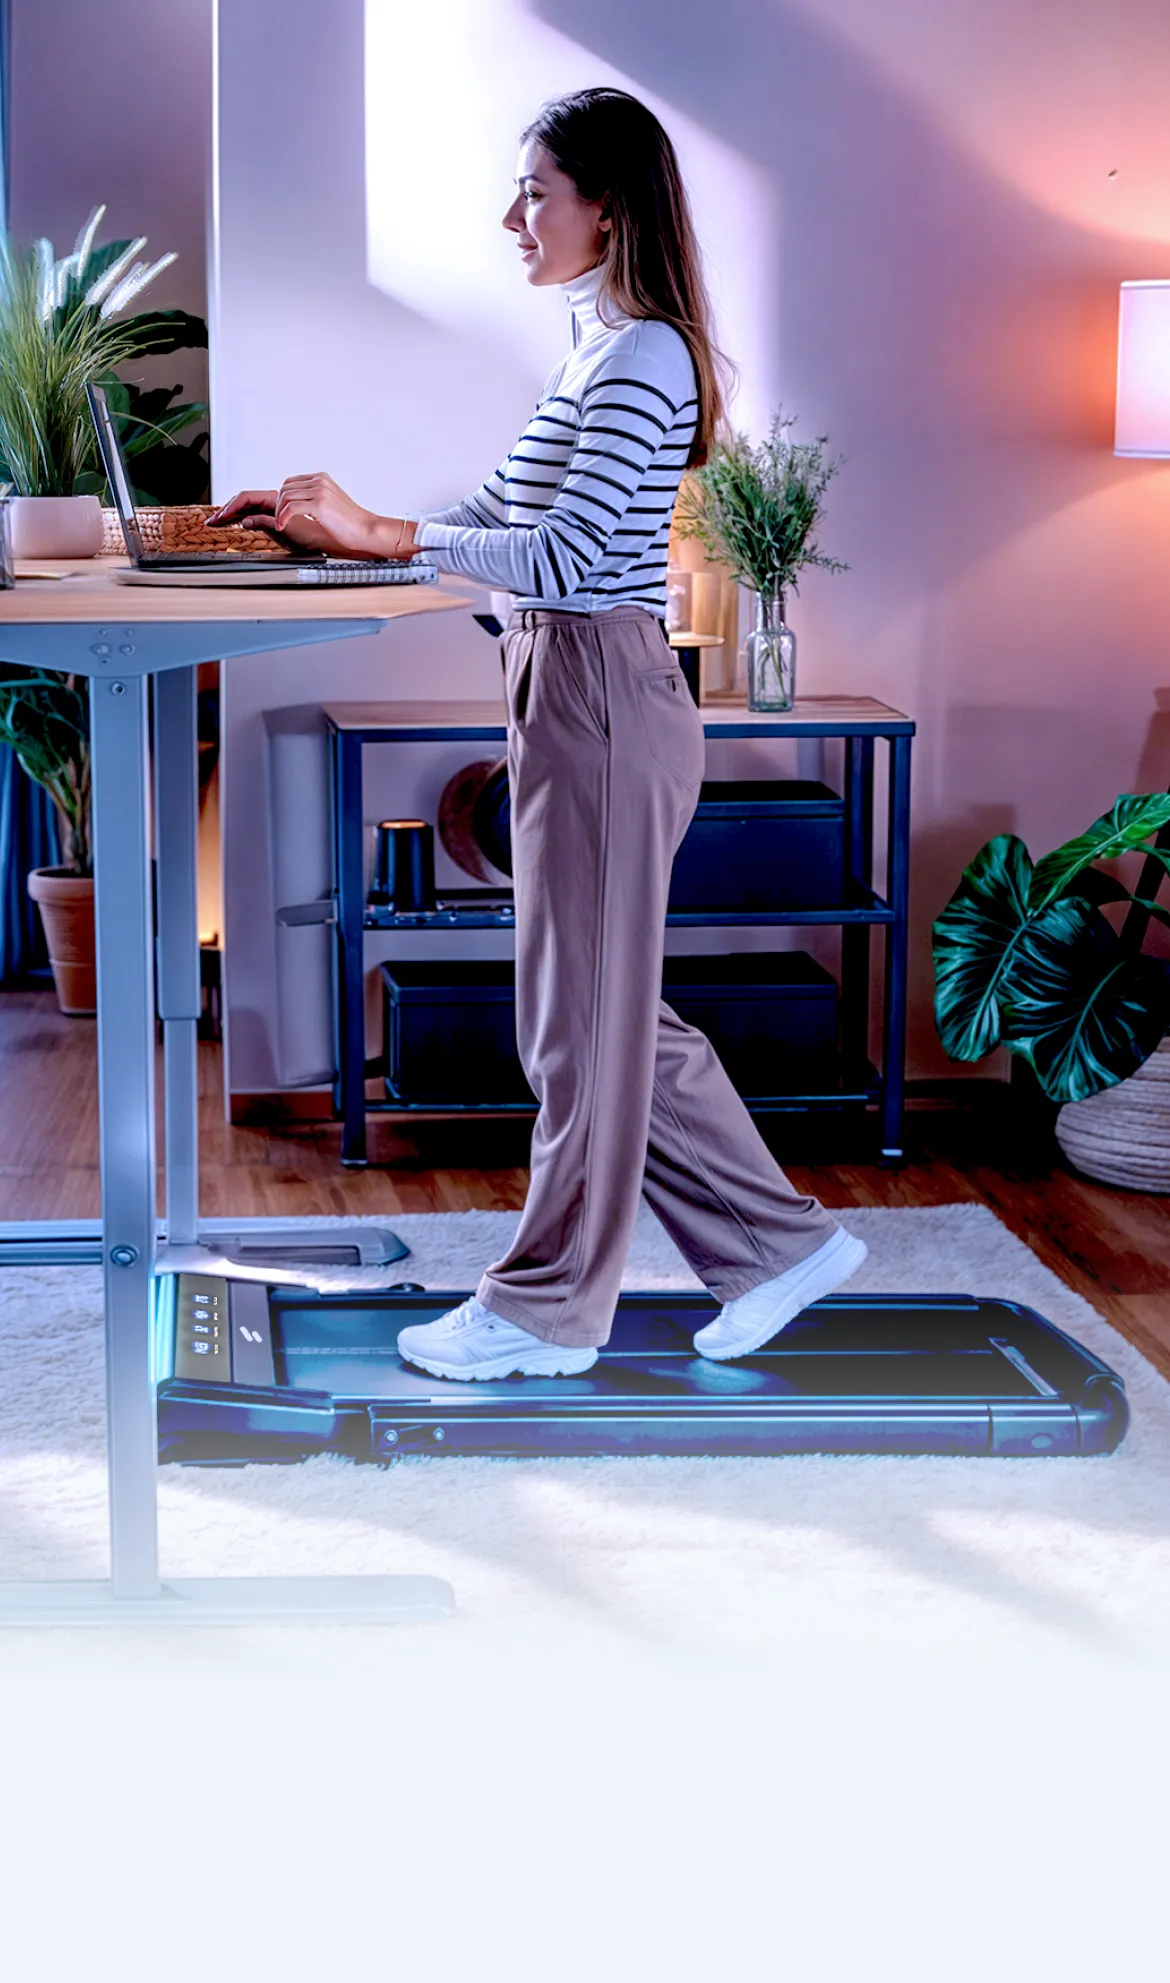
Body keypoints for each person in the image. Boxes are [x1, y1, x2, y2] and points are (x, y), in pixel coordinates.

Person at [210, 86, 868, 1382]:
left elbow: (565, 557)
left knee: (579, 1027)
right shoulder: (592, 353)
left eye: (534, 191)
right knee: (606, 1013)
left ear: (605, 206)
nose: (510, 215)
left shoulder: (646, 356)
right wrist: (331, 530)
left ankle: (544, 1309)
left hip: (603, 695)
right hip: (562, 690)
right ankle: (778, 1247)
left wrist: (393, 536)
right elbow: (497, 511)